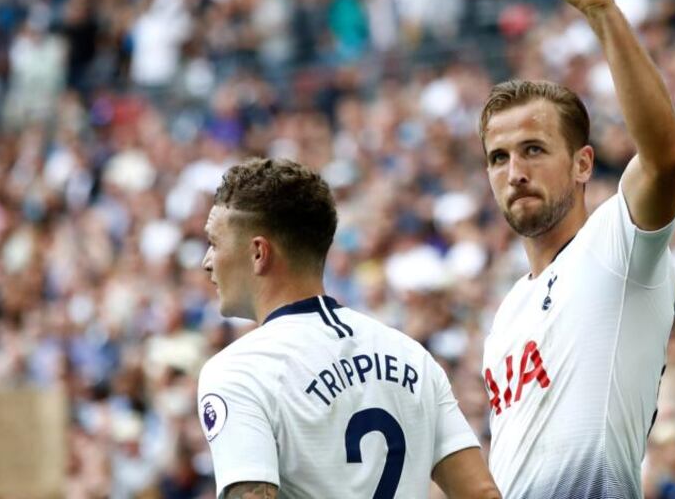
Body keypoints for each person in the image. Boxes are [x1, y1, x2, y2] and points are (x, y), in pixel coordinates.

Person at [479, 0, 675, 498]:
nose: (514, 171)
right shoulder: (505, 316)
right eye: (499, 158)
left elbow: (665, 156)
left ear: (582, 164)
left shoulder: (616, 247)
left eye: (533, 150)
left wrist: (602, 12)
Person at [197, 158, 500, 499]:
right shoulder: (412, 355)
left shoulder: (237, 371)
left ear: (258, 253)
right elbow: (482, 493)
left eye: (214, 242)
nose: (206, 261)